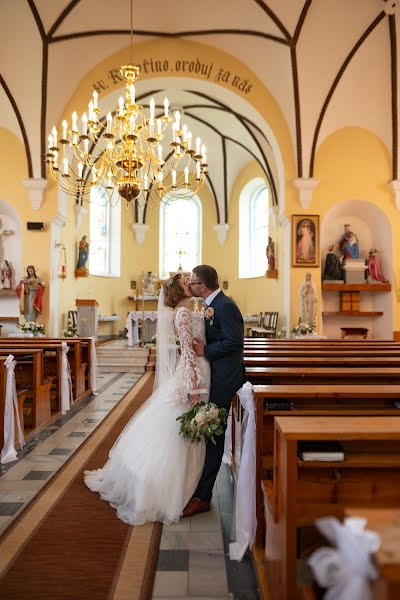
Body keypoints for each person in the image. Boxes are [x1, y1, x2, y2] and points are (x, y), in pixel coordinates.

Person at [84, 273, 210, 525]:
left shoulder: (185, 312)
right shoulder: (183, 314)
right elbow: (187, 352)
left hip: (194, 371)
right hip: (193, 374)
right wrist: (193, 386)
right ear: (179, 291)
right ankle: (171, 491)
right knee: (181, 430)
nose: (191, 284)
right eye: (187, 282)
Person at [183, 265, 245, 517]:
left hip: (225, 378)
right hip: (216, 375)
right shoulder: (213, 304)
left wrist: (205, 352)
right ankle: (201, 491)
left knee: (214, 433)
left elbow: (235, 341)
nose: (190, 284)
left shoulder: (225, 305)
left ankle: (203, 496)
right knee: (211, 432)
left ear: (203, 286)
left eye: (193, 282)